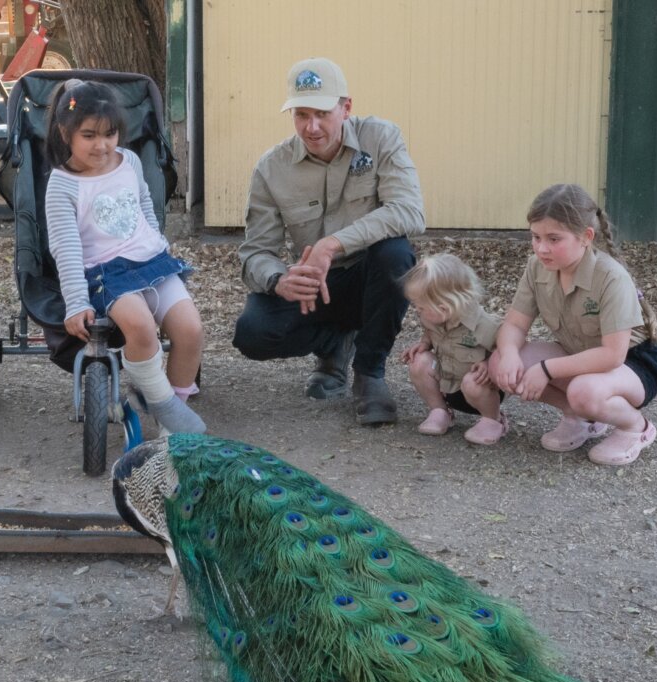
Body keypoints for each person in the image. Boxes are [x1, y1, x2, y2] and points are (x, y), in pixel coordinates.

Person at [233, 57, 425, 425]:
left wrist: (331, 244)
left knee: (396, 254)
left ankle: (370, 374)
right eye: (301, 115)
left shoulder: (381, 138)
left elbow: (410, 211)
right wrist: (280, 280)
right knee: (252, 334)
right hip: (312, 288)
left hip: (369, 280)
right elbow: (256, 252)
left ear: (346, 107)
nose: (312, 126)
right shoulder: (271, 168)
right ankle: (333, 344)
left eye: (322, 113)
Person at [42, 80, 205, 434]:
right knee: (141, 327)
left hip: (152, 262)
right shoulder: (62, 184)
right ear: (64, 132)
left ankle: (171, 426)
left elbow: (143, 203)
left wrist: (157, 241)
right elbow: (65, 246)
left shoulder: (129, 160)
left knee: (191, 331)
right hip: (107, 273)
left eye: (110, 133)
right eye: (89, 135)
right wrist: (75, 301)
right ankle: (167, 410)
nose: (101, 145)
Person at [491, 184, 657, 466]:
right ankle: (583, 418)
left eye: (553, 239)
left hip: (633, 365)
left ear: (586, 237)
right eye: (535, 237)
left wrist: (546, 370)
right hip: (580, 358)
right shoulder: (536, 267)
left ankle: (636, 427)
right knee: (500, 361)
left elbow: (612, 355)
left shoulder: (610, 276)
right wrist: (510, 355)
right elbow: (514, 324)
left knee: (584, 390)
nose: (542, 248)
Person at [398, 253, 506, 445]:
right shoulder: (432, 319)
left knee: (473, 382)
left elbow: (509, 348)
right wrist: (425, 344)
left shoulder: (484, 326)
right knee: (419, 362)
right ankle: (440, 411)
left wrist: (490, 363)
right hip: (447, 383)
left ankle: (494, 420)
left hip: (479, 388)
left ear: (444, 307)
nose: (417, 311)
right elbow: (430, 332)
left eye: (421, 307)